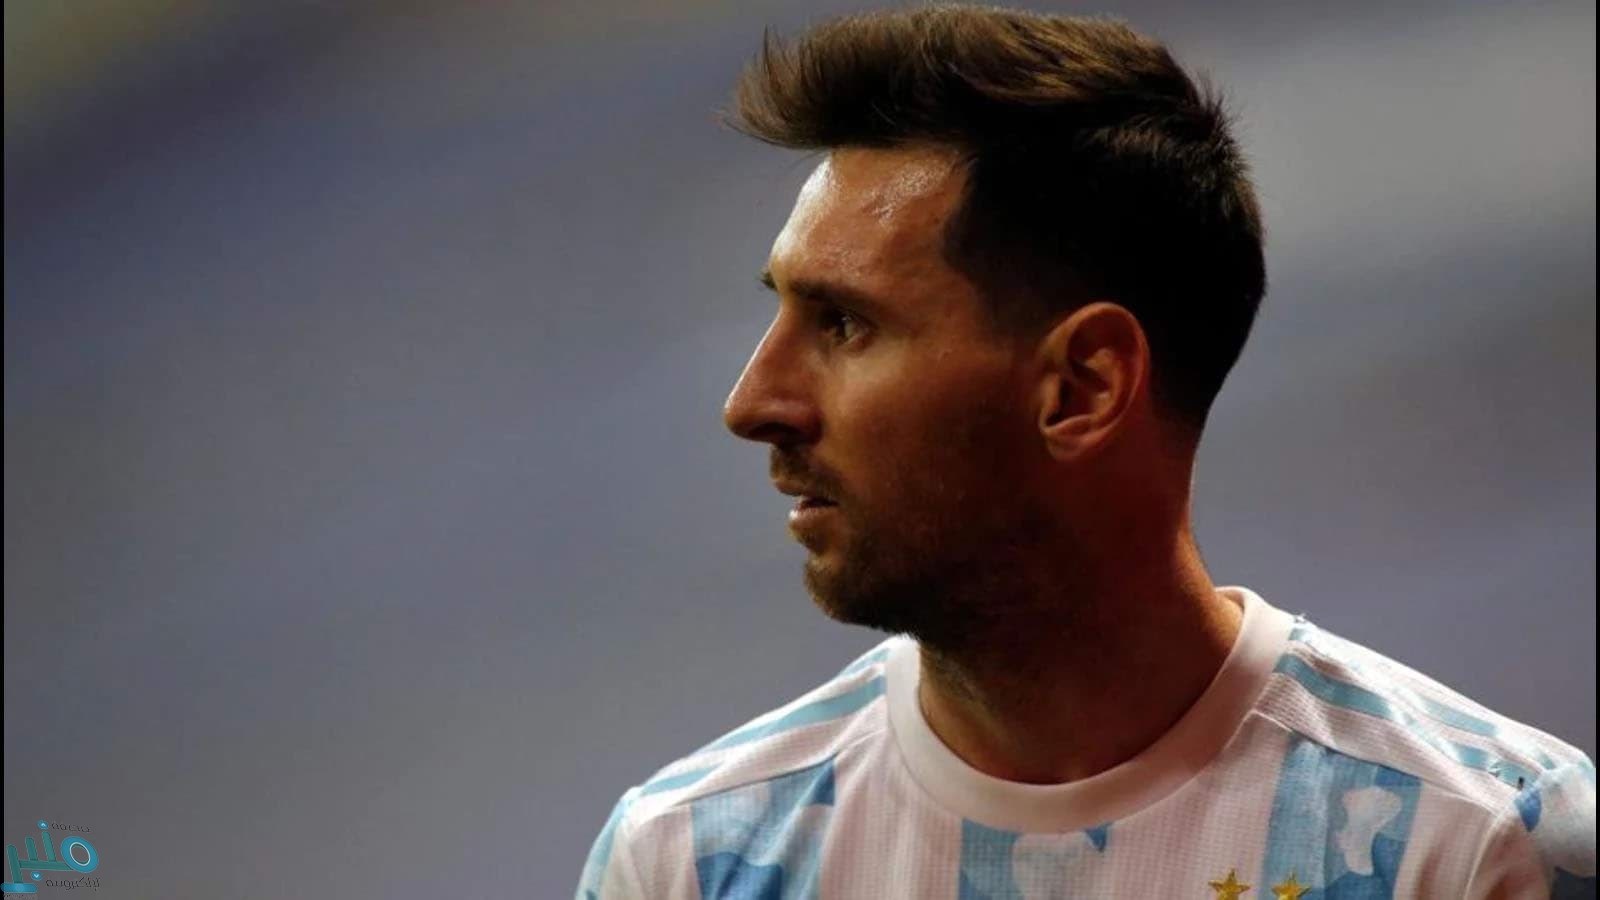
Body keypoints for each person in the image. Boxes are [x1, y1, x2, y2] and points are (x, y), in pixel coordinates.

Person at [576, 6, 1596, 897]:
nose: (753, 403)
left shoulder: (1478, 848)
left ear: (1083, 388)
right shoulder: (689, 862)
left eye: (844, 324)